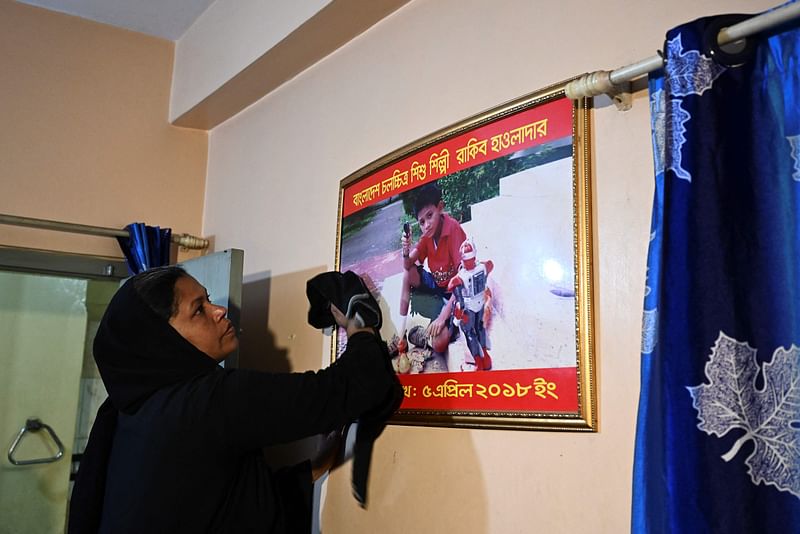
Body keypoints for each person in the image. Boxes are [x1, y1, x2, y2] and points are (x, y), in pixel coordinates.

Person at [68, 266, 402, 534]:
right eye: (199, 310)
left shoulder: (130, 411)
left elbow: (213, 502)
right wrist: (360, 324)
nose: (219, 310)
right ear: (161, 340)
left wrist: (311, 469)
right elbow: (350, 387)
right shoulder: (205, 401)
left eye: (208, 299)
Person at [398, 183, 467, 355]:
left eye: (430, 216)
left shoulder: (453, 230)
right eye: (422, 222)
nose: (427, 225)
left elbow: (463, 277)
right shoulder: (427, 237)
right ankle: (401, 334)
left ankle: (425, 336)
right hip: (439, 290)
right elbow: (408, 266)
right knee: (408, 274)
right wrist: (405, 251)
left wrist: (443, 317)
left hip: (456, 296)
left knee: (439, 343)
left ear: (440, 207)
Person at [448, 238, 494, 371]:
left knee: (469, 333)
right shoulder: (483, 267)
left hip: (468, 308)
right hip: (480, 304)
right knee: (480, 329)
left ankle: (478, 363)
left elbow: (451, 285)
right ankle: (486, 357)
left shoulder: (461, 276)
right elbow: (490, 264)